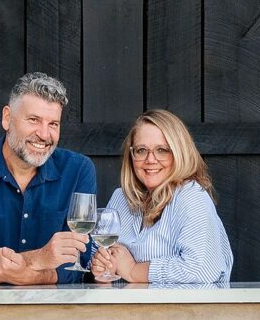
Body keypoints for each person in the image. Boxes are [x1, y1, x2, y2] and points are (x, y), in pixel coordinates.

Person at [0, 72, 96, 285]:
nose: (44, 134)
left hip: (51, 311)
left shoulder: (78, 170)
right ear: (7, 118)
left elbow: (79, 260)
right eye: (34, 120)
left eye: (53, 124)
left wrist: (28, 275)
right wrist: (40, 258)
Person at [90, 109, 232, 287]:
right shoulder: (121, 198)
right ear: (131, 155)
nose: (150, 159)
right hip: (124, 312)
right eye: (141, 150)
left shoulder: (191, 195)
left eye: (162, 150)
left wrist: (134, 270)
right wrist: (101, 268)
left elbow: (201, 268)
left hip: (186, 313)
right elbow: (97, 257)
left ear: (179, 153)